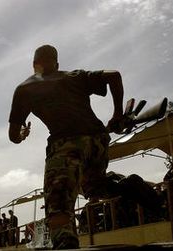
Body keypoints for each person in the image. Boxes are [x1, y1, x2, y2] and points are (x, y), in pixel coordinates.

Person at [8, 44, 124, 249]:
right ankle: (126, 185)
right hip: (98, 141)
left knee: (58, 207)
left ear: (35, 65)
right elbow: (114, 75)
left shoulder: (25, 89)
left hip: (66, 145)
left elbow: (12, 136)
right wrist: (117, 114)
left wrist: (22, 135)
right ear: (57, 63)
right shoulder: (74, 76)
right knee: (95, 186)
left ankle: (66, 244)